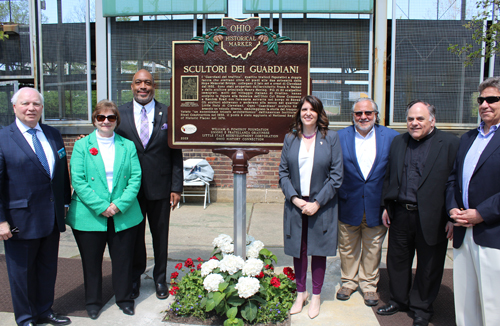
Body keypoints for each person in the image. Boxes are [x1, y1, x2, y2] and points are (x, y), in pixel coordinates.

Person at [378, 100, 459, 326]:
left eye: (420, 118)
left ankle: (422, 308)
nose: (414, 123)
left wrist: (453, 217)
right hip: (401, 213)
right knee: (397, 260)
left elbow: (457, 182)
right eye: (411, 119)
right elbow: (389, 176)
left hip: (434, 216)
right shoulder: (398, 142)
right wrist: (386, 205)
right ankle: (398, 300)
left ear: (432, 120)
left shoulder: (450, 143)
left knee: (429, 265)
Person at [0, 88, 71, 326]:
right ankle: (26, 317)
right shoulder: (3, 138)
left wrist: (64, 203)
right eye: (25, 103)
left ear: (42, 107)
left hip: (50, 218)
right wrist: (1, 221)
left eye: (36, 104)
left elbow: (61, 173)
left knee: (48, 268)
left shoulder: (52, 134)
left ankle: (45, 310)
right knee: (21, 274)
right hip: (19, 219)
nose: (31, 108)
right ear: (14, 107)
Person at [66, 100, 142, 319]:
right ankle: (92, 301)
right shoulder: (82, 145)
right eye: (101, 117)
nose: (106, 121)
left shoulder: (127, 146)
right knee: (91, 262)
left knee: (123, 260)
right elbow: (79, 181)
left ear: (117, 120)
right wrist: (102, 207)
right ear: (95, 120)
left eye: (111, 117)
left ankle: (125, 299)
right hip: (89, 215)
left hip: (123, 213)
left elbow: (135, 178)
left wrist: (119, 205)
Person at [115, 69, 183, 300]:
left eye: (147, 83)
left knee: (160, 236)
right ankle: (135, 278)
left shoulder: (169, 113)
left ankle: (160, 279)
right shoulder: (119, 114)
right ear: (131, 86)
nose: (143, 87)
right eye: (138, 83)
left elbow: (176, 153)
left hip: (161, 187)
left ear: (154, 86)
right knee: (134, 236)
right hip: (129, 190)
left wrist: (177, 187)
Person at [278, 95, 343, 319]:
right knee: (299, 250)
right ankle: (300, 293)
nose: (308, 113)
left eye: (312, 110)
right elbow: (283, 174)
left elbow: (336, 176)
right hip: (296, 204)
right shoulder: (290, 139)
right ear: (299, 113)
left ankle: (316, 296)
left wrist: (316, 203)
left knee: (319, 251)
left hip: (321, 205)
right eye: (304, 109)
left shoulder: (331, 138)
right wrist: (295, 199)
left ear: (319, 114)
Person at [446, 76, 500, 326]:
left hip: (492, 232)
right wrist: (452, 208)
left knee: (493, 302)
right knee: (465, 303)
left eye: (492, 99)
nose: (485, 105)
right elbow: (453, 179)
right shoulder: (468, 138)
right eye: (481, 100)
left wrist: (481, 213)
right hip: (462, 232)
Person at [336, 98, 399, 306]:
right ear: (352, 116)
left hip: (377, 206)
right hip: (348, 202)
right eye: (358, 113)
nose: (363, 117)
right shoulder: (339, 137)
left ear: (376, 114)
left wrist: (389, 205)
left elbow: (395, 174)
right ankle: (348, 282)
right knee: (347, 246)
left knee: (373, 247)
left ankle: (369, 285)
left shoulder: (391, 137)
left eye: (368, 113)